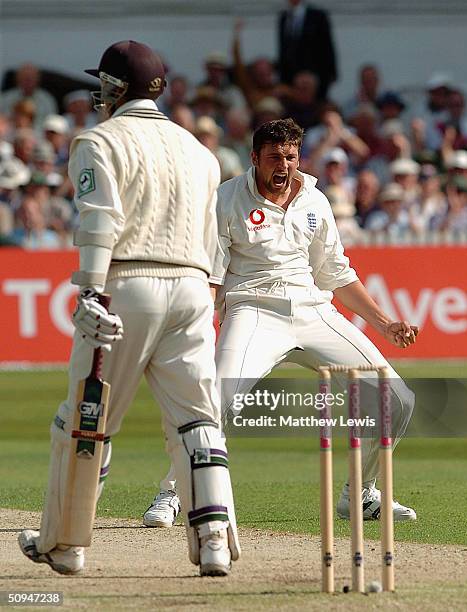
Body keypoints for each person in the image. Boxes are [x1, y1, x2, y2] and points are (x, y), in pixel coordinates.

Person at [18, 40, 240, 578]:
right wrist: (207, 291)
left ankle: (66, 545)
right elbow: (214, 235)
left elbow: (99, 219)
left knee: (84, 419)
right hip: (191, 288)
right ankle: (213, 541)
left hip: (127, 283)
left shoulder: (98, 140)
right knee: (197, 419)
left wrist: (91, 290)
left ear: (115, 89)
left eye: (103, 85)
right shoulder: (201, 151)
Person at [143, 118, 419, 529]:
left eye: (291, 157)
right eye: (275, 157)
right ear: (254, 158)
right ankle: (173, 491)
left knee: (397, 400)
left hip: (313, 311)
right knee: (216, 400)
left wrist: (383, 323)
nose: (284, 166)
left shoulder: (314, 199)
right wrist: (193, 331)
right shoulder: (228, 199)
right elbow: (213, 279)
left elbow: (336, 274)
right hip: (253, 312)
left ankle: (360, 494)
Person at [278, 0, 337, 99]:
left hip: (316, 74)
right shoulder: (284, 18)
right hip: (291, 76)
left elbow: (327, 46)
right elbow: (283, 49)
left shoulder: (318, 16)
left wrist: (331, 73)